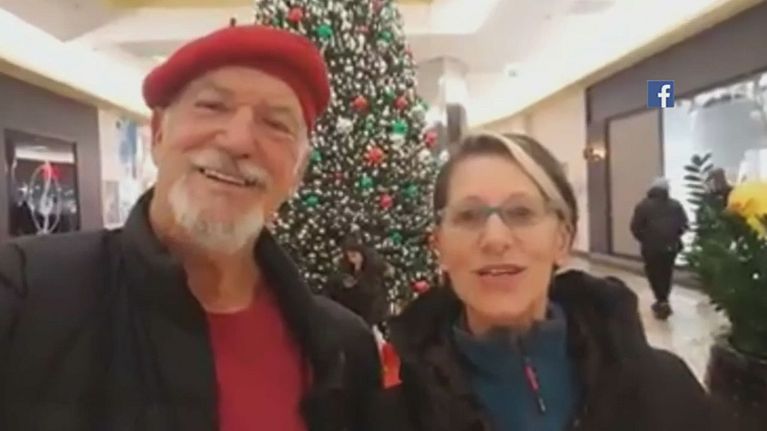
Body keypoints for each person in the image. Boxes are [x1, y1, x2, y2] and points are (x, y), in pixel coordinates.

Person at [0, 25, 381, 431]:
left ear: (297, 173)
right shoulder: (24, 294)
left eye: (276, 124)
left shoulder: (342, 350)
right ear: (158, 133)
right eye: (212, 106)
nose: (238, 141)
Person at [372, 132, 718, 431]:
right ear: (440, 247)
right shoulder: (391, 417)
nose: (495, 239)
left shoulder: (665, 391)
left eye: (521, 213)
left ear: (562, 241)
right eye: (468, 215)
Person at [630, 177, 689, 320]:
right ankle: (663, 299)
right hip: (670, 247)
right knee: (666, 272)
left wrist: (645, 239)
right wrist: (674, 236)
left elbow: (635, 227)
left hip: (651, 247)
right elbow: (684, 224)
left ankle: (661, 299)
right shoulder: (676, 205)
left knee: (653, 272)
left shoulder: (643, 206)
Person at [327, 236, 388, 328]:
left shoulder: (373, 268)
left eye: (354, 255)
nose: (352, 259)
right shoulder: (346, 267)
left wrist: (358, 271)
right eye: (349, 256)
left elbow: (373, 290)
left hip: (368, 309)